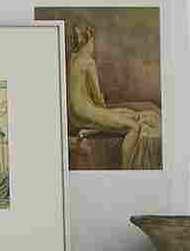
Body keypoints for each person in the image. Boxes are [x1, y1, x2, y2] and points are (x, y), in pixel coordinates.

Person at [63, 20, 161, 169]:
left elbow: (85, 98)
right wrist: (111, 114)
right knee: (134, 126)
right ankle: (127, 168)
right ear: (89, 42)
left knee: (128, 113)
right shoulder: (89, 63)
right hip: (86, 113)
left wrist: (116, 113)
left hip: (76, 115)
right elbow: (98, 99)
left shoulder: (73, 59)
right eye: (93, 42)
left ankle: (91, 130)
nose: (93, 47)